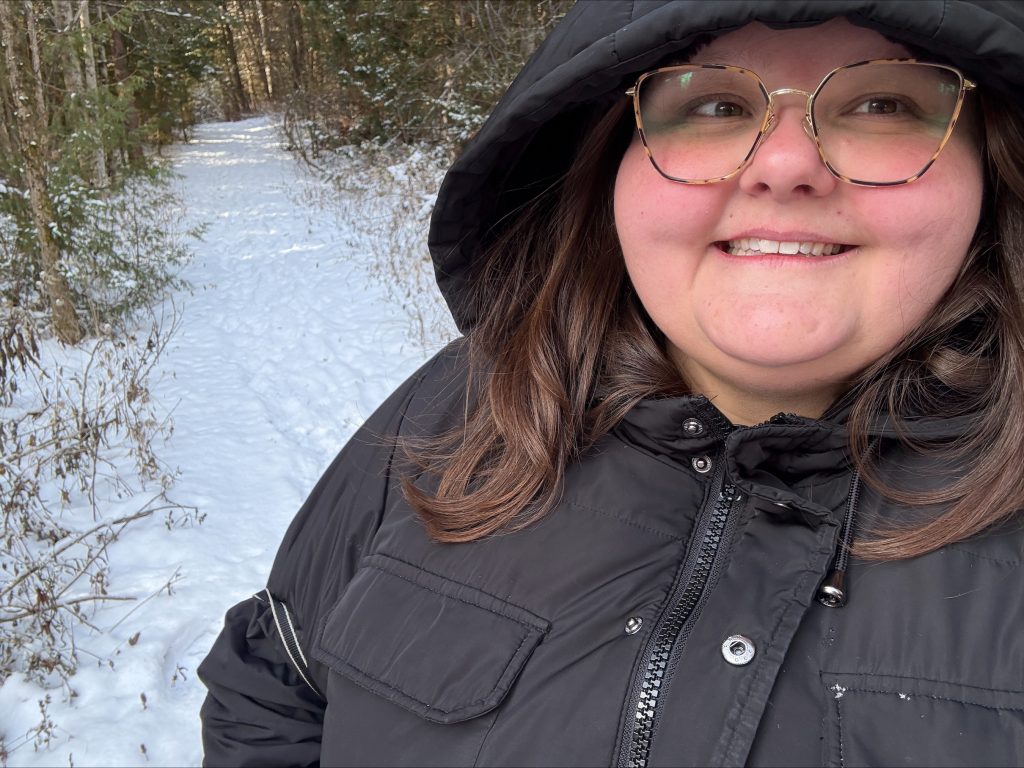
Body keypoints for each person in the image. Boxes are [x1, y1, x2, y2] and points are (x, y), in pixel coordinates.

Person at [199, 1, 1024, 765]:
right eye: (714, 105)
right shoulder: (466, 404)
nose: (783, 164)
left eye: (882, 105)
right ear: (608, 165)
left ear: (993, 165)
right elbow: (276, 685)